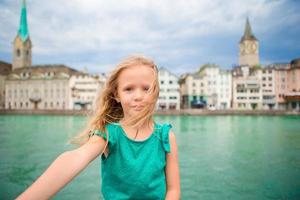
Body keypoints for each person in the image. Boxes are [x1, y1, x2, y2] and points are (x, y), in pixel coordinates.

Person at [16, 55, 180, 200]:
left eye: (146, 89)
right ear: (117, 95)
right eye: (129, 89)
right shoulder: (109, 133)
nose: (138, 96)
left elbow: (173, 189)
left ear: (156, 93)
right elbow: (77, 157)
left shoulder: (166, 136)